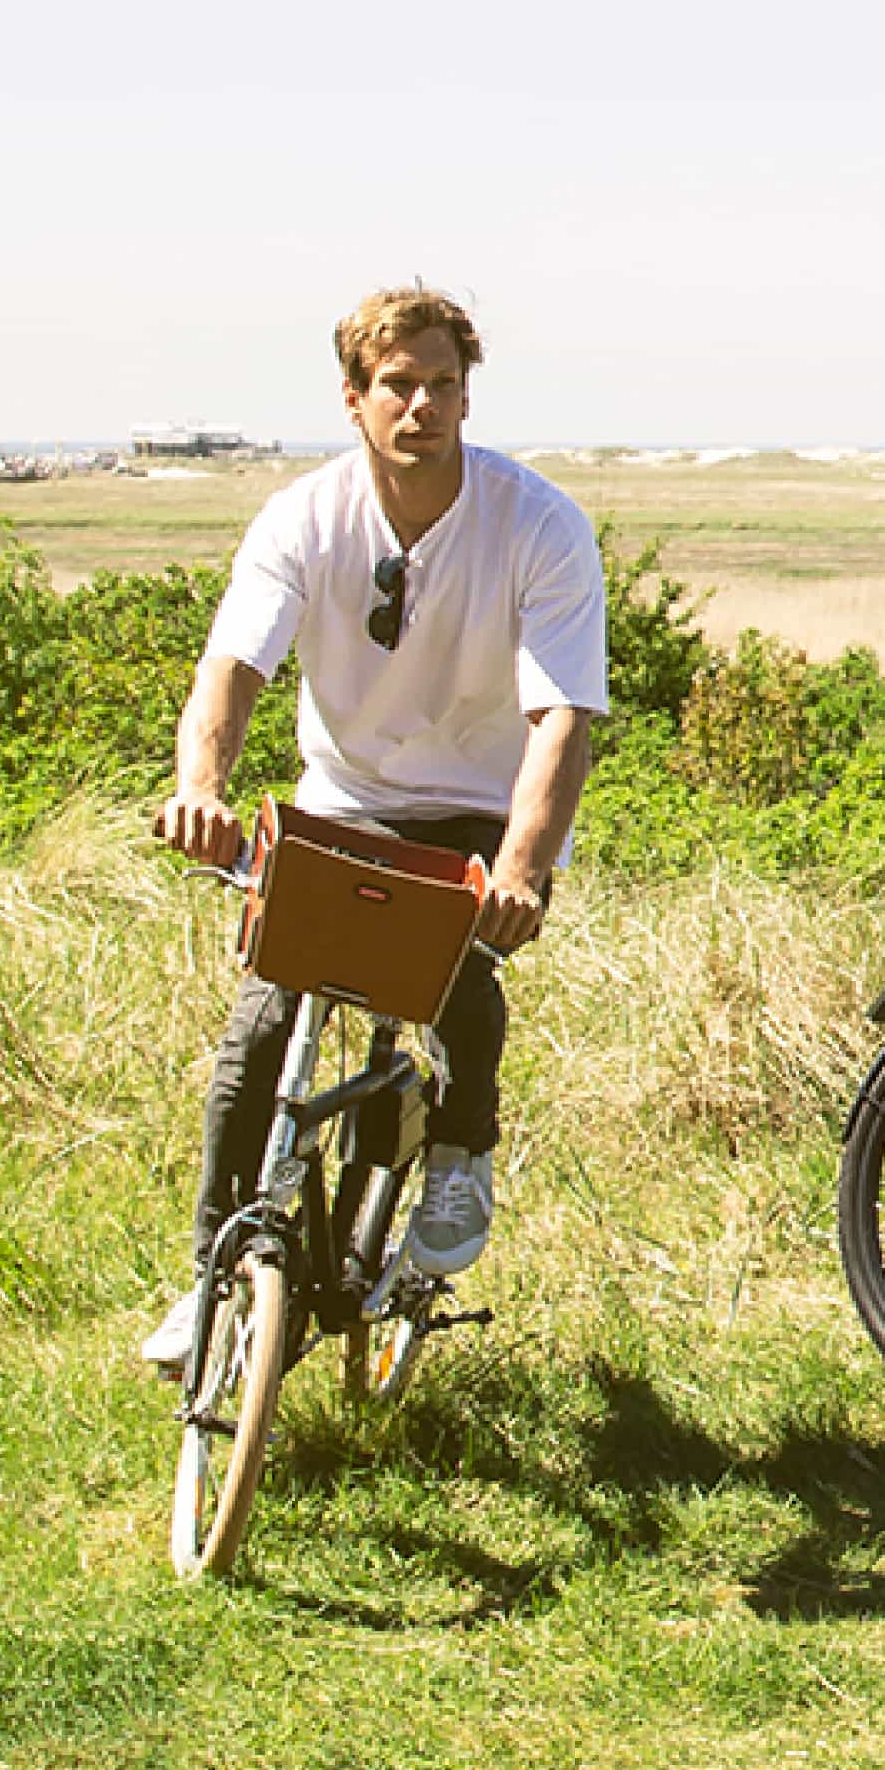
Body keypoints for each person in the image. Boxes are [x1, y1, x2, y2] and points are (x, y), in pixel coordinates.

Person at [142, 286, 608, 1367]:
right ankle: (213, 1274)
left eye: (444, 384)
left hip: (480, 804)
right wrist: (201, 787)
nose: (423, 406)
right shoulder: (303, 519)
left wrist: (521, 872)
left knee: (460, 973)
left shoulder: (537, 523)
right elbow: (233, 668)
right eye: (398, 385)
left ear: (467, 397)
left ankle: (460, 1151)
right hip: (345, 799)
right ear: (353, 398)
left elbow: (562, 719)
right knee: (261, 1034)